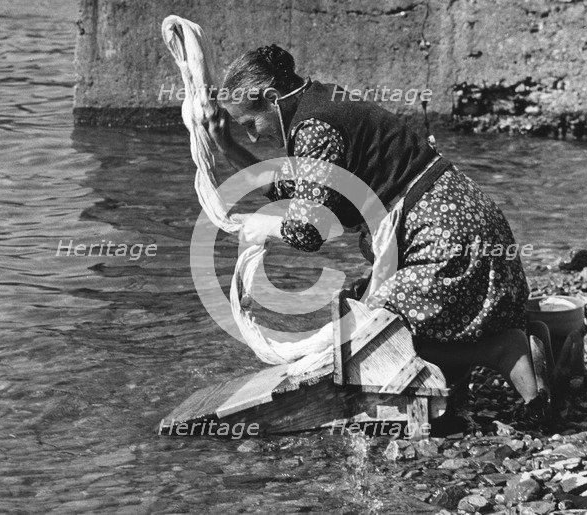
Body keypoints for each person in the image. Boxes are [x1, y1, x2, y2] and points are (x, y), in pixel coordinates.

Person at [206, 44, 548, 420]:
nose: (254, 138)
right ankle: (470, 383)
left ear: (271, 98)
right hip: (463, 221)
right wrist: (227, 146)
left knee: (373, 338)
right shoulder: (321, 102)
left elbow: (308, 229)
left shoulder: (315, 127)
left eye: (250, 125)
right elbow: (296, 189)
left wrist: (263, 225)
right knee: (362, 305)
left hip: (446, 236)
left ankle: (502, 351)